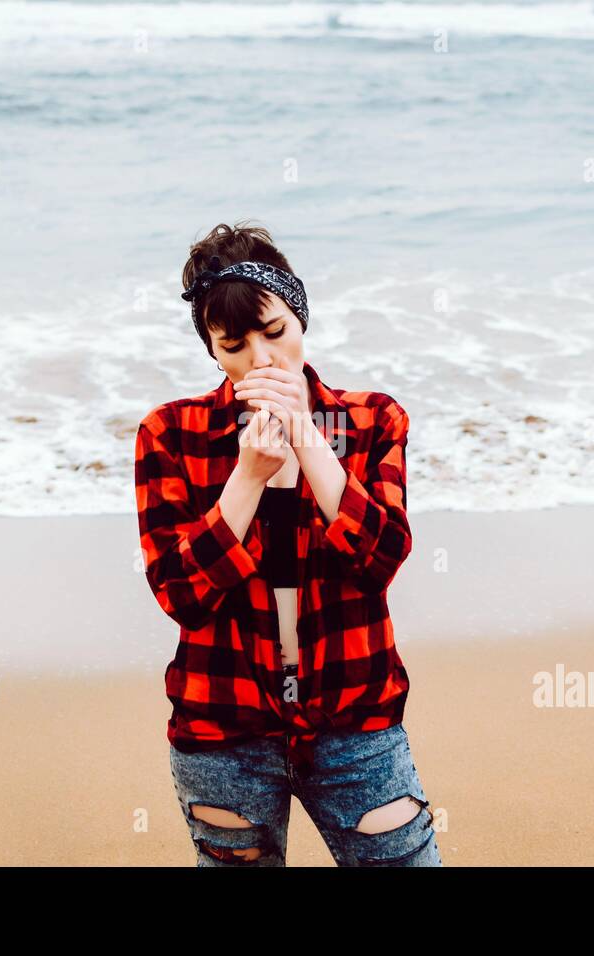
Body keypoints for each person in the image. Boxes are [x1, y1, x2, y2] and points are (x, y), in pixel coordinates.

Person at [134, 220, 441, 866]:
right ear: (212, 351)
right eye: (233, 345)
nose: (261, 360)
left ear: (300, 318)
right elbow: (180, 594)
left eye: (274, 333)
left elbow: (382, 557)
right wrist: (247, 476)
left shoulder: (371, 420)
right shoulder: (169, 434)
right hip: (225, 730)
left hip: (353, 722)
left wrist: (307, 439)